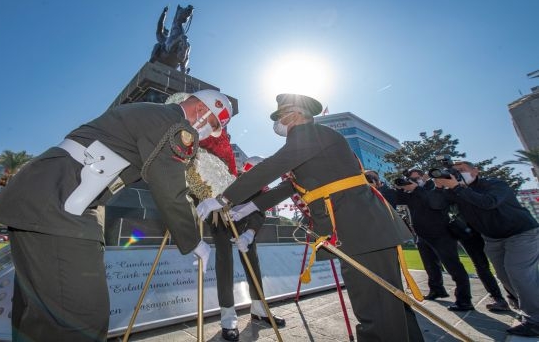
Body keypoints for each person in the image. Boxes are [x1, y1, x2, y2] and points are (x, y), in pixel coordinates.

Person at [0, 89, 234, 342]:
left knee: (37, 316)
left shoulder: (149, 113)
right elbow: (170, 187)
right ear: (203, 110)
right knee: (83, 321)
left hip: (41, 198)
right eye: (212, 125)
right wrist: (193, 240)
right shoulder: (174, 124)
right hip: (62, 207)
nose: (205, 134)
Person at [196, 94, 424, 342]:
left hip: (360, 229)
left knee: (377, 309)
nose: (278, 123)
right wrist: (248, 207)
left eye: (281, 116)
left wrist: (224, 199)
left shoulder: (309, 134)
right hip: (363, 229)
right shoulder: (312, 143)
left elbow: (272, 166)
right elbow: (290, 187)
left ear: (296, 114)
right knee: (390, 307)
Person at [431, 161, 539, 337]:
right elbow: (435, 205)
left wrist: (457, 188)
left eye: (462, 170)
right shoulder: (454, 192)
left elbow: (489, 202)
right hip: (492, 238)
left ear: (475, 171)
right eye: (454, 171)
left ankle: (536, 320)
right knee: (503, 275)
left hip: (521, 233)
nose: (458, 173)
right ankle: (522, 304)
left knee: (518, 272)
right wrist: (438, 187)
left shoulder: (495, 184)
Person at [196, 128, 285, 341]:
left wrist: (250, 234)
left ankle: (259, 310)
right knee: (224, 263)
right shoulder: (231, 180)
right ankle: (228, 318)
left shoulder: (261, 188)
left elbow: (260, 209)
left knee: (252, 263)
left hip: (245, 226)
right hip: (221, 221)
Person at [394, 169, 475, 311]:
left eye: (417, 178)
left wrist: (417, 188)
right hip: (422, 235)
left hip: (441, 235)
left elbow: (434, 202)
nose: (414, 181)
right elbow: (397, 199)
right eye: (411, 179)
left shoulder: (434, 187)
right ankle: (437, 289)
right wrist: (401, 188)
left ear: (423, 177)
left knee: (453, 267)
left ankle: (464, 299)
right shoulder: (412, 193)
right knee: (430, 266)